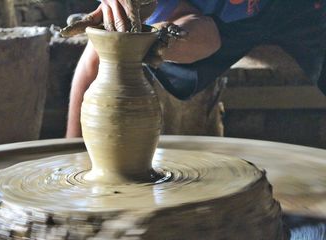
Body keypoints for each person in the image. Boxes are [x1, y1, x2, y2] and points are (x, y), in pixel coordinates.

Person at [65, 0, 326, 138]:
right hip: (214, 20)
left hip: (298, 7)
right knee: (132, 38)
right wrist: (72, 153)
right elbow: (99, 55)